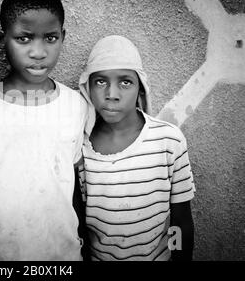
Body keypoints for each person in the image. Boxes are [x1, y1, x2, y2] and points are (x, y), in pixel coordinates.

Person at [0, 0, 88, 261]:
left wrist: (82, 242)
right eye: (24, 39)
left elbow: (71, 182)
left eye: (50, 38)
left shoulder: (75, 105)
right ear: (2, 39)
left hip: (60, 256)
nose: (38, 52)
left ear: (63, 37)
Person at [78, 35, 195, 261]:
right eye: (100, 81)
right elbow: (80, 225)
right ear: (87, 88)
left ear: (140, 89)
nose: (112, 94)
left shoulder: (169, 142)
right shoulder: (80, 146)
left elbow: (181, 222)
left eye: (125, 82)